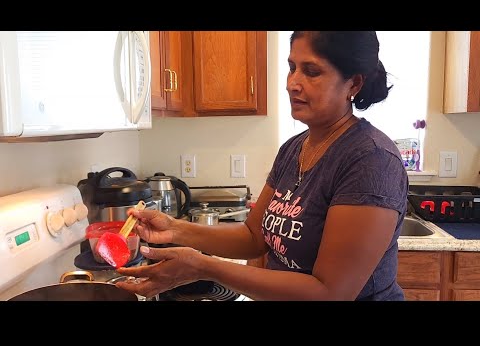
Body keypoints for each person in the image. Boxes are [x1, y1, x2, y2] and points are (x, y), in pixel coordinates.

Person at [115, 31, 409, 301]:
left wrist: (203, 266)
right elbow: (254, 238)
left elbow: (329, 294)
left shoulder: (371, 161)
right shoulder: (294, 148)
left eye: (312, 71)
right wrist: (175, 229)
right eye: (292, 67)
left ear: (353, 84)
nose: (293, 83)